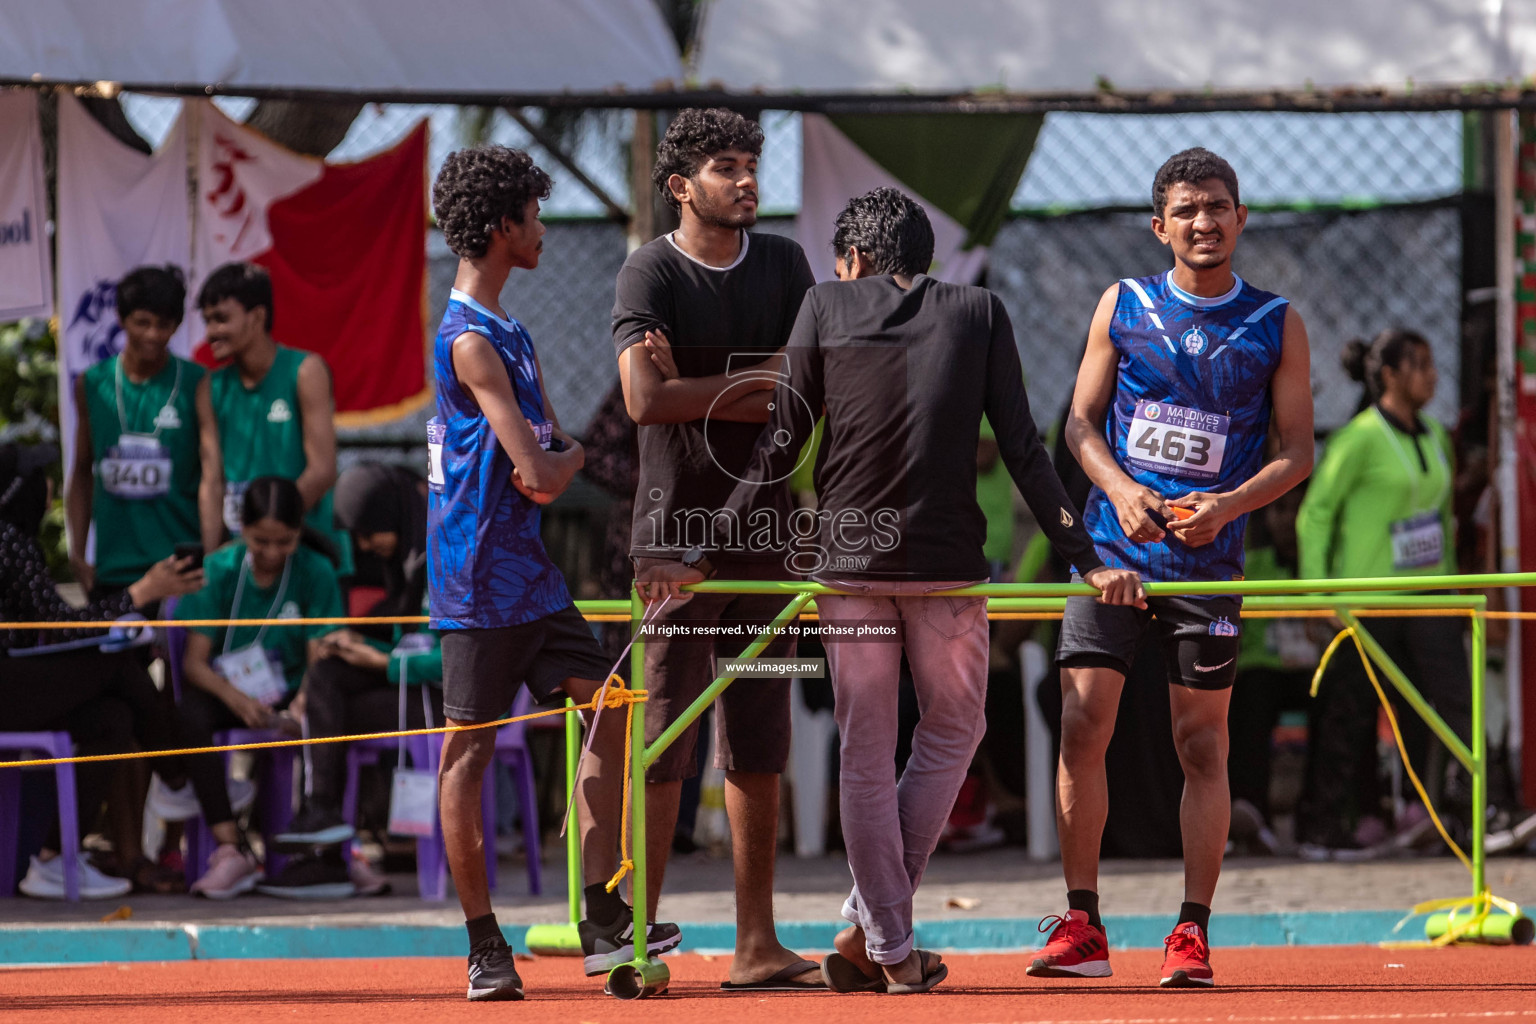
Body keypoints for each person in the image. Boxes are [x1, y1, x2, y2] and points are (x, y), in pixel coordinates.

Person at [639, 187, 1146, 994]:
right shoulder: (979, 310)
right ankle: (888, 943)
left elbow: (778, 442)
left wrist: (701, 549)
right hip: (947, 565)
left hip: (847, 567)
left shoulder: (825, 306)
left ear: (853, 259)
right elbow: (1021, 445)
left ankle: (876, 933)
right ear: (925, 257)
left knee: (866, 747)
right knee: (955, 728)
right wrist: (1085, 558)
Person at [1040, 148, 1314, 987]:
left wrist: (1228, 506)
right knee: (1085, 725)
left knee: (1202, 743)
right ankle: (1082, 924)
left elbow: (1298, 451)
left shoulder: (1277, 321)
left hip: (1208, 565)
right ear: (1159, 225)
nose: (1205, 220)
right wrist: (1121, 493)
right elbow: (1080, 427)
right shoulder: (1122, 305)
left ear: (1241, 218)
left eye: (1219, 206)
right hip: (1114, 555)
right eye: (1187, 208)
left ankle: (1191, 931)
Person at [428, 144, 675, 1002]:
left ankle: (603, 917)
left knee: (607, 709)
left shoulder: (511, 333)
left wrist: (557, 456)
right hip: (474, 580)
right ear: (503, 228)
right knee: (468, 754)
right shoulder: (468, 343)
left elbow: (554, 446)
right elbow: (540, 469)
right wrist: (556, 460)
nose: (542, 230)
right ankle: (483, 944)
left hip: (528, 574)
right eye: (533, 217)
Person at [611, 107, 821, 991]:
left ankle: (755, 945)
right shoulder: (648, 269)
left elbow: (810, 387)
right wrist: (758, 380)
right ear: (679, 186)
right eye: (724, 166)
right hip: (674, 545)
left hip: (769, 542)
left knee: (761, 736)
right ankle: (639, 944)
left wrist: (698, 385)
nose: (745, 180)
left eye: (751, 164)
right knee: (663, 732)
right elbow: (642, 403)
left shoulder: (785, 263)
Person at [0, 442, 225, 898]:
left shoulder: (16, 541)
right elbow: (61, 628)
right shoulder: (8, 540)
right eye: (40, 479)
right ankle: (177, 776)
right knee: (115, 663)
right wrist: (140, 594)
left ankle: (53, 858)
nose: (49, 490)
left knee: (113, 721)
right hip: (8, 688)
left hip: (18, 684)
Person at [1295, 330, 1470, 854]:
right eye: (1419, 365)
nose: (1432, 376)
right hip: (1365, 600)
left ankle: (1440, 814)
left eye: (1433, 364)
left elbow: (1442, 518)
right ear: (1389, 375)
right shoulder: (1359, 438)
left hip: (1428, 597)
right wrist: (1316, 596)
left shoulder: (1437, 436)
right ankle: (1327, 824)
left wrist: (1455, 589)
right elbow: (1316, 514)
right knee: (1349, 713)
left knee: (1439, 705)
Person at [261, 461, 441, 897]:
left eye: (369, 533)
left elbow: (454, 663)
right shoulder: (404, 565)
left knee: (327, 714)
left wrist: (379, 661)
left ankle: (329, 853)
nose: (363, 546)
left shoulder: (444, 561)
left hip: (449, 704)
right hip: (406, 691)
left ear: (394, 517)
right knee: (326, 676)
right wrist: (353, 643)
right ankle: (322, 820)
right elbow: (403, 637)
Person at [174, 476, 346, 898]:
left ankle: (327, 850)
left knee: (331, 705)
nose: (271, 553)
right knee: (189, 715)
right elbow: (193, 664)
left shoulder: (315, 570)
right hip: (228, 691)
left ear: (300, 532)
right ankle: (230, 848)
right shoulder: (217, 570)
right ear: (241, 528)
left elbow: (319, 661)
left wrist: (303, 703)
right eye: (260, 541)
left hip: (289, 692)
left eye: (284, 542)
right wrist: (237, 699)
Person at [67, 265, 223, 599]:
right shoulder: (91, 383)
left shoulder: (197, 382)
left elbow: (212, 476)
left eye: (163, 324)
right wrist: (77, 554)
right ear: (121, 318)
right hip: (112, 571)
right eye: (142, 322)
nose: (153, 334)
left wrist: (209, 558)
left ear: (177, 325)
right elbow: (82, 470)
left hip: (180, 568)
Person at [198, 262, 348, 572]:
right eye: (207, 321)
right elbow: (212, 481)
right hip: (243, 559)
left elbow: (322, 470)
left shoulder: (305, 371)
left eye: (222, 319)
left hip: (308, 551)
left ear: (257, 317)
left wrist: (268, 534)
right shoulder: (210, 387)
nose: (211, 332)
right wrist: (213, 562)